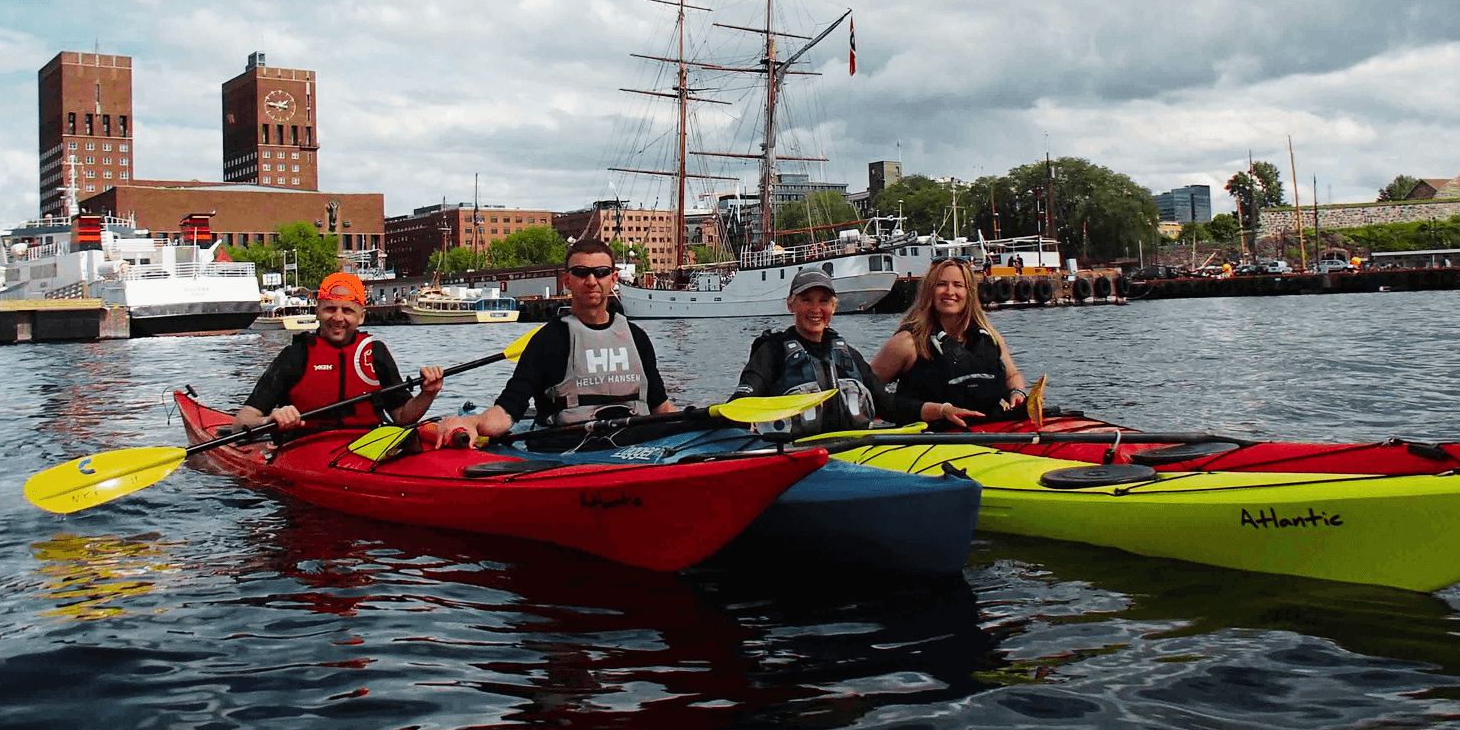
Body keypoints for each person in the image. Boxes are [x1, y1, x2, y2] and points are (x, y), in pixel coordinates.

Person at [435, 238, 677, 443]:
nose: (591, 281)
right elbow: (509, 409)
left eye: (600, 272)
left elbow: (661, 407)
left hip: (634, 443)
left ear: (613, 279)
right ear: (567, 281)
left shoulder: (637, 337)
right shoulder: (548, 340)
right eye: (581, 273)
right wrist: (473, 422)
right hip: (567, 448)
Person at [731, 269, 980, 437]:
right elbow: (741, 403)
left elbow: (889, 405)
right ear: (790, 304)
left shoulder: (848, 354)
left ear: (834, 306)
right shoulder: (772, 351)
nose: (816, 309)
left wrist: (942, 410)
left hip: (851, 454)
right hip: (793, 456)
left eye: (824, 301)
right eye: (806, 300)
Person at [234, 271, 444, 432]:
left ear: (361, 317)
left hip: (367, 447)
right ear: (318, 311)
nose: (338, 318)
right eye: (330, 309)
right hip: (305, 448)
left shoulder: (375, 353)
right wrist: (270, 419)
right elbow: (241, 421)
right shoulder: (295, 356)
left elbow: (402, 417)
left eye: (347, 310)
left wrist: (428, 393)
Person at [870, 257, 1028, 417]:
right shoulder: (907, 343)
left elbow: (1012, 375)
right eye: (941, 284)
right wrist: (932, 411)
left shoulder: (991, 337)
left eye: (958, 285)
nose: (949, 292)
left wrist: (1018, 392)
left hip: (990, 431)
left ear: (969, 292)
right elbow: (866, 392)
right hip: (930, 435)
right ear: (929, 292)